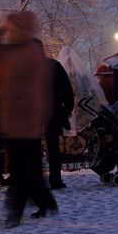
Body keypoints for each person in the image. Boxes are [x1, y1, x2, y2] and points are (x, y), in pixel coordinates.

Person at [0, 11, 57, 228]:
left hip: (24, 121)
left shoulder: (29, 52)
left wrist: (38, 116)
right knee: (30, 169)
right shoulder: (14, 51)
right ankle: (45, 202)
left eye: (14, 28)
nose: (12, 32)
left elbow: (39, 91)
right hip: (14, 121)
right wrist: (1, 29)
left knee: (20, 170)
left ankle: (14, 212)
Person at [45, 55, 74, 190]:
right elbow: (67, 90)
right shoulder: (54, 65)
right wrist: (66, 111)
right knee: (53, 147)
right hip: (53, 112)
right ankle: (55, 179)